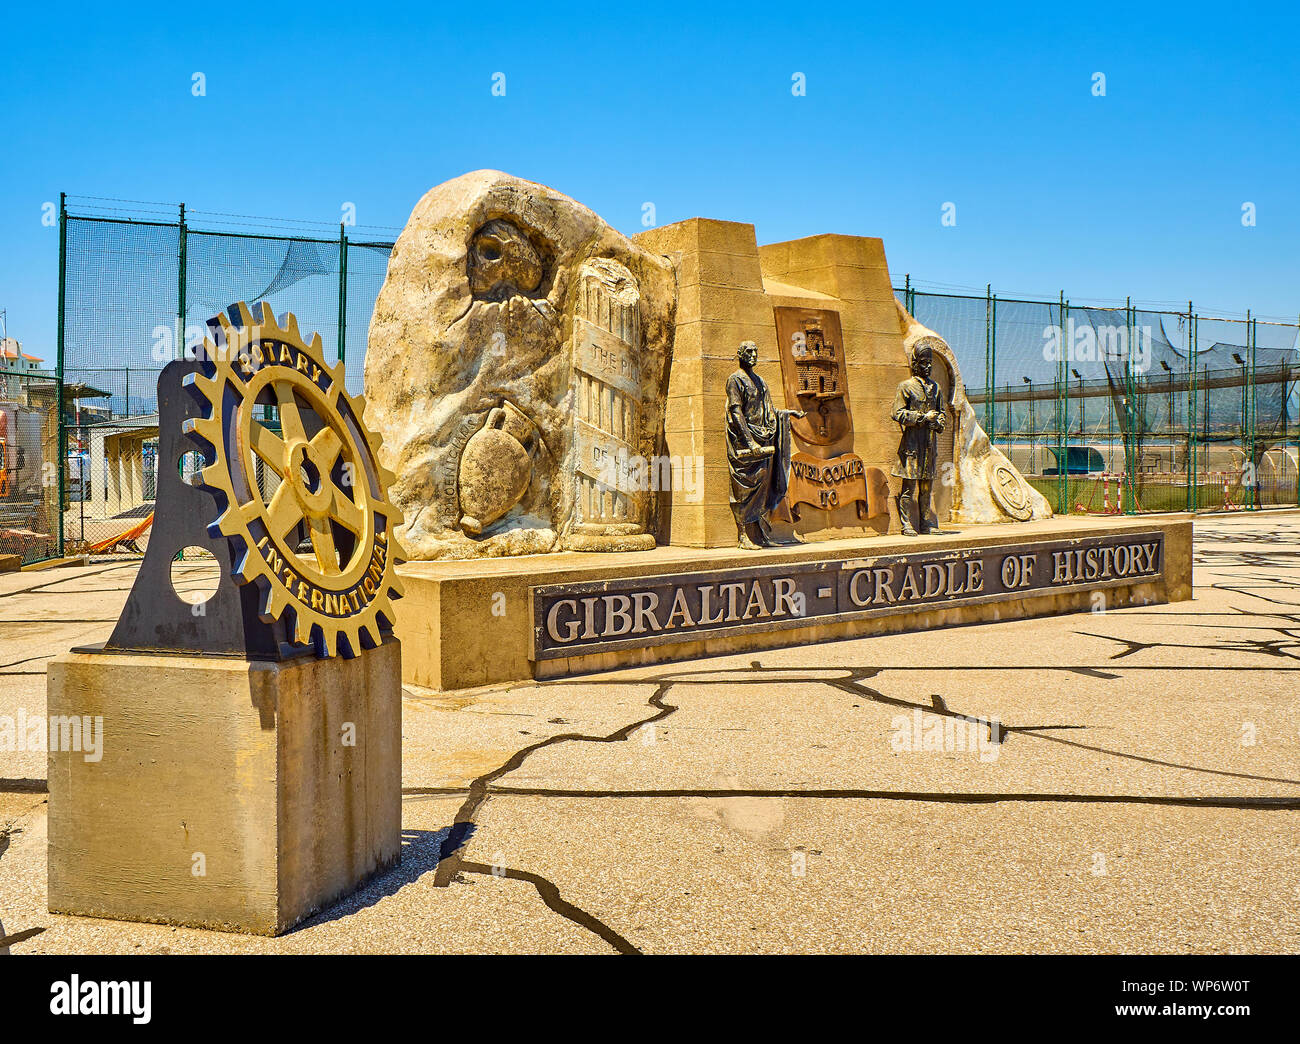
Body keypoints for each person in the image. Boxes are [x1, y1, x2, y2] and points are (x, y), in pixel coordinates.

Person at [725, 341, 805, 549]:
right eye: (749, 352)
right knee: (744, 489)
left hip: (764, 440)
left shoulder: (760, 381)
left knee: (762, 487)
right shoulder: (735, 380)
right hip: (744, 443)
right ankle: (743, 536)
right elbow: (736, 412)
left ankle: (759, 535)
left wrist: (788, 414)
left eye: (755, 352)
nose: (753, 355)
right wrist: (750, 442)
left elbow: (769, 411)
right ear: (740, 354)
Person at [891, 343, 946, 536]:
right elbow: (897, 413)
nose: (928, 367)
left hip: (929, 444)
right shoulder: (906, 387)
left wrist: (938, 421)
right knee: (909, 486)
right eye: (923, 363)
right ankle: (906, 523)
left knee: (926, 486)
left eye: (929, 363)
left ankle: (926, 523)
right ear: (915, 364)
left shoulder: (936, 388)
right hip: (912, 444)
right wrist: (922, 418)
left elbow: (942, 415)